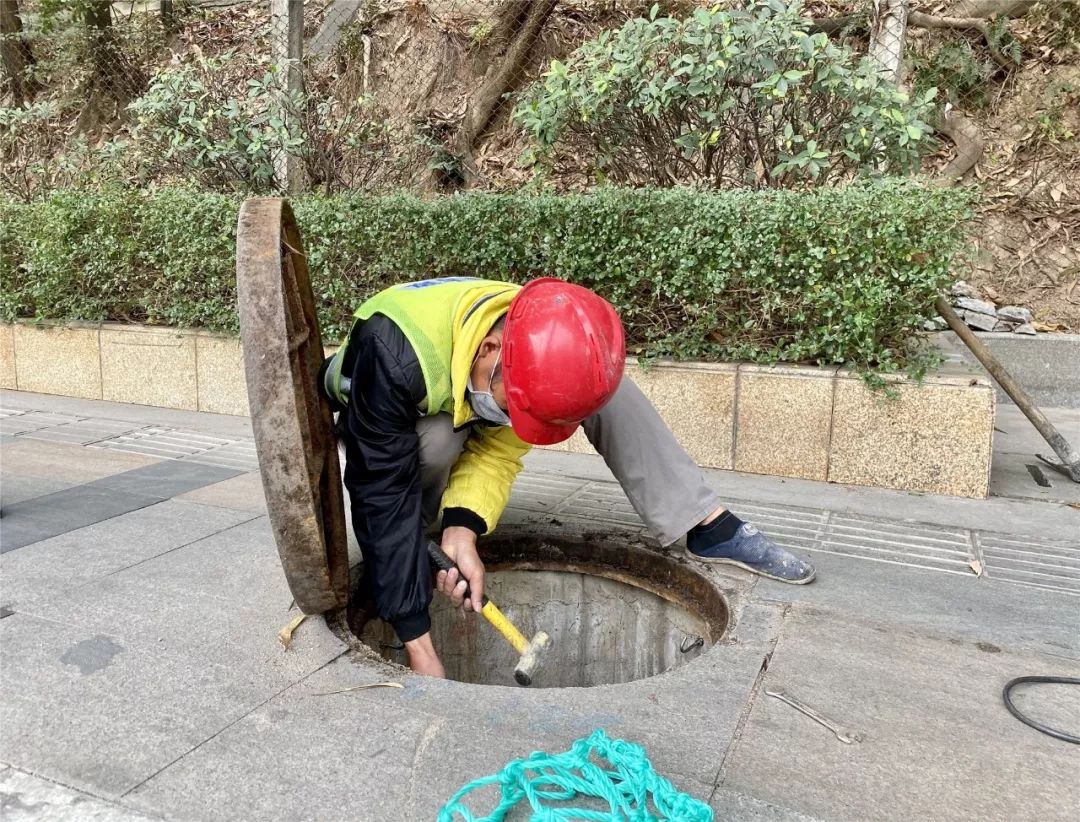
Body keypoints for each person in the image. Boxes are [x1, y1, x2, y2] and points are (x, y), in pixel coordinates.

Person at [320, 277, 814, 678]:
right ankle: (419, 538)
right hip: (383, 409)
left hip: (464, 394)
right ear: (490, 349)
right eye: (518, 406)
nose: (521, 419)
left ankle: (706, 523)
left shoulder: (537, 334)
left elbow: (498, 449)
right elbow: (378, 493)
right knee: (436, 445)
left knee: (596, 383)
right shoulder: (393, 353)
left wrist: (463, 529)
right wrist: (418, 642)